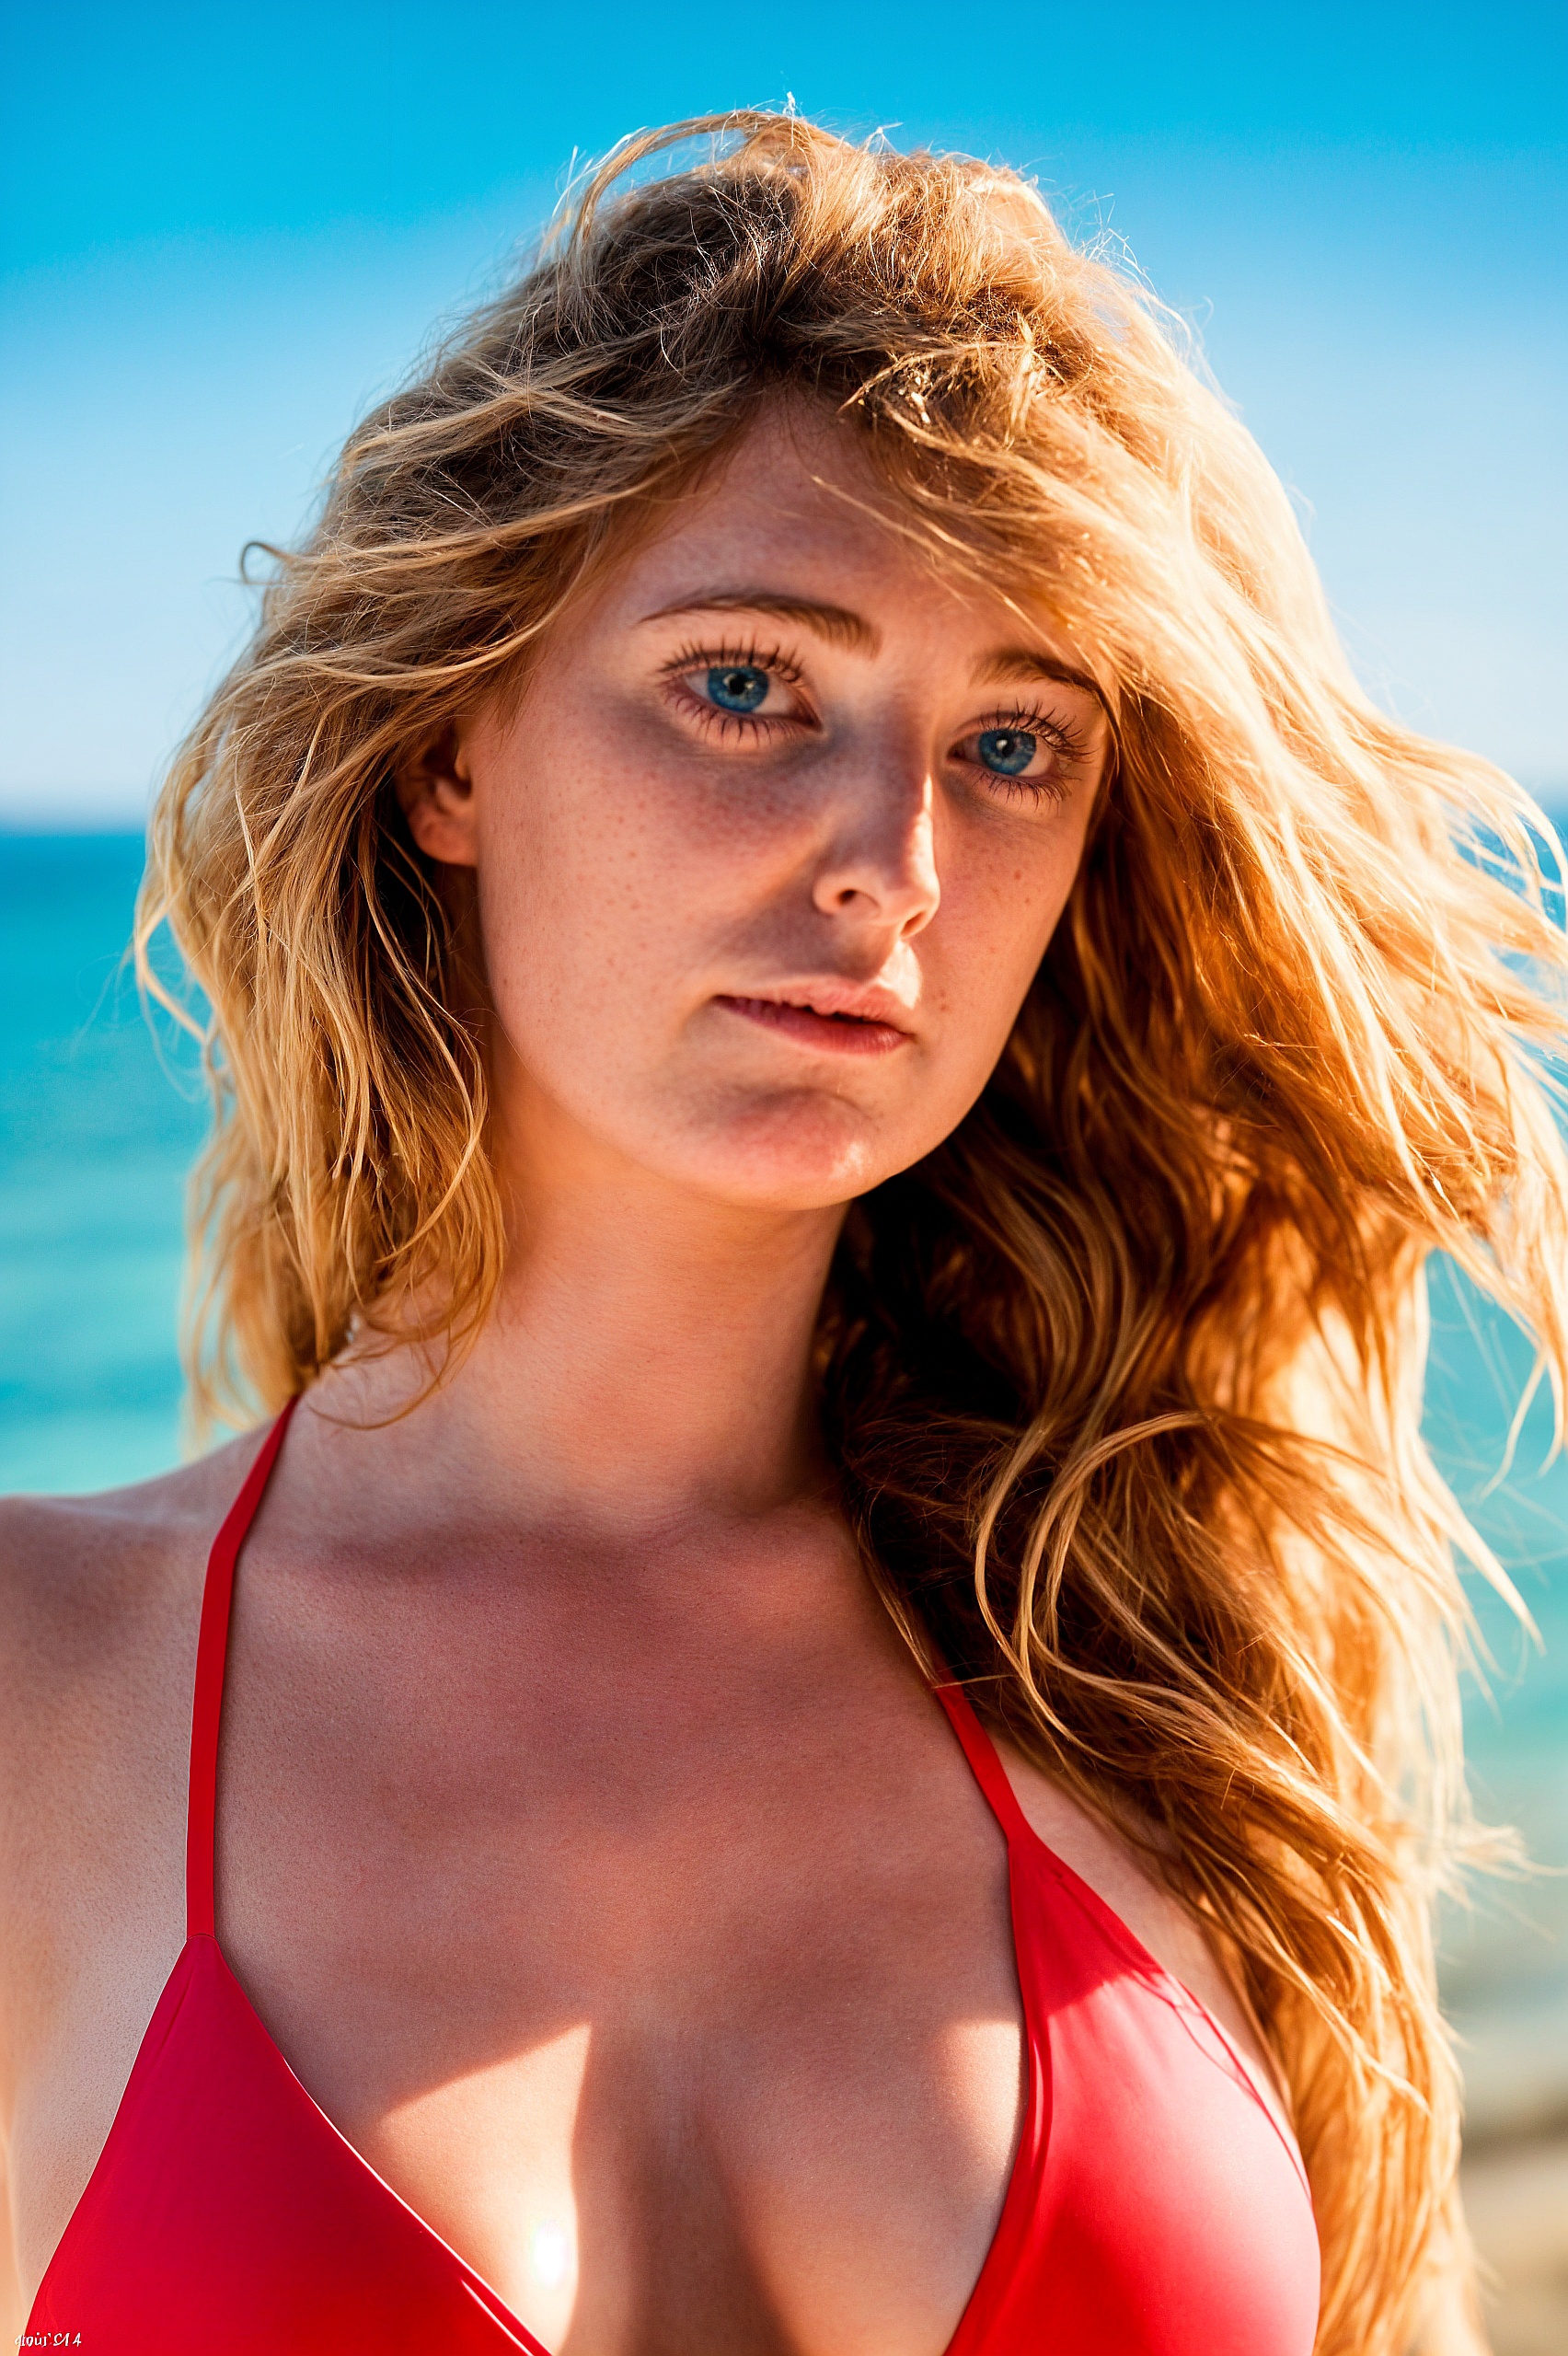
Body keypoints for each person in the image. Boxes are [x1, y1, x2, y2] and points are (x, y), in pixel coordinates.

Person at [2, 110, 1563, 2356]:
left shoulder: (1157, 1693)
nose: (894, 859)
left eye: (1016, 744)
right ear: (455, 747)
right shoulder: (39, 1695)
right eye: (749, 684)